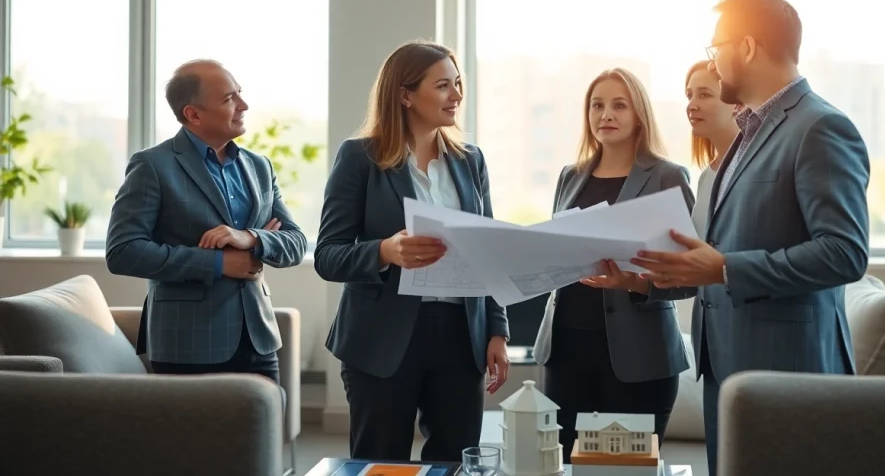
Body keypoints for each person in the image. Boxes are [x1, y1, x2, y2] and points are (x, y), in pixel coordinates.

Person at [631, 0, 870, 476]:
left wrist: (724, 268)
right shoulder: (744, 135)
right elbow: (717, 255)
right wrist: (646, 280)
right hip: (728, 367)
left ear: (746, 45)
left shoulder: (820, 127)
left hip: (789, 373)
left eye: (715, 47)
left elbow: (845, 253)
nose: (713, 62)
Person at [314, 40, 511, 463]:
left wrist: (497, 329)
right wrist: (385, 250)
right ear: (405, 94)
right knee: (381, 462)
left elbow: (488, 248)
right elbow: (328, 254)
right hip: (382, 336)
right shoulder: (359, 157)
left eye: (458, 84)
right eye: (443, 86)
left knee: (456, 461)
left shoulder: (471, 161)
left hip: (461, 334)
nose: (456, 95)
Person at [106, 59, 308, 385]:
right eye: (229, 99)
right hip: (187, 345)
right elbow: (123, 252)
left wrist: (251, 239)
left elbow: (296, 243)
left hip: (258, 339)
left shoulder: (259, 167)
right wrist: (218, 263)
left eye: (239, 94)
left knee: (265, 434)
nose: (244, 105)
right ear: (193, 114)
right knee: (196, 438)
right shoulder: (152, 166)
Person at [532, 68, 697, 464]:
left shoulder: (667, 176)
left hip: (638, 356)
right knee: (565, 466)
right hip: (566, 351)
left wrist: (635, 283)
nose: (606, 114)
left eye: (618, 105)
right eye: (597, 105)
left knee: (621, 471)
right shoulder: (570, 176)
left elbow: (695, 274)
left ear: (639, 114)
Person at [685, 60, 741, 238]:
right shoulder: (705, 178)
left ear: (737, 104)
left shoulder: (756, 168)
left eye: (704, 95)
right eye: (689, 96)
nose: (691, 106)